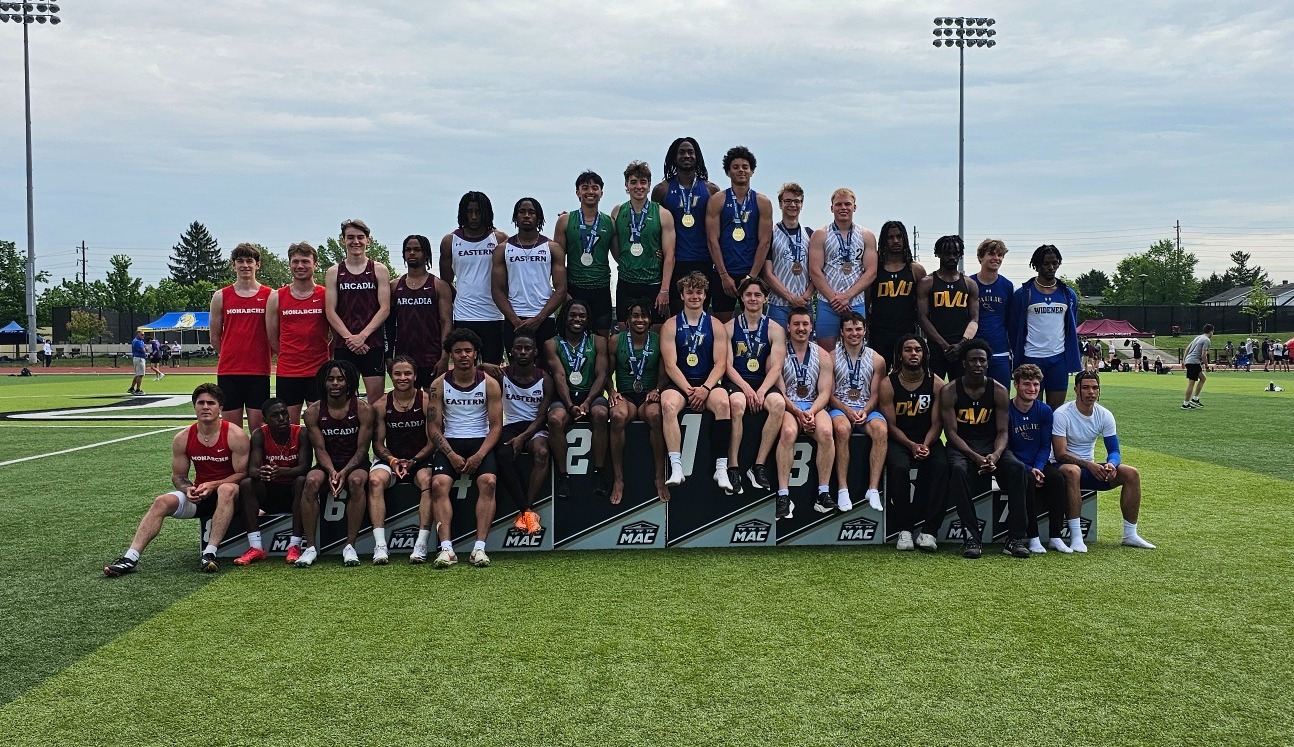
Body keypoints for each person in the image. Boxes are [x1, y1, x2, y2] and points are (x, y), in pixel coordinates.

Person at [103, 384, 250, 576]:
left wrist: (214, 485)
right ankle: (130, 557)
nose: (205, 407)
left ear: (220, 408)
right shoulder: (183, 437)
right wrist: (188, 489)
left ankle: (210, 553)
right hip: (201, 496)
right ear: (194, 406)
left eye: (211, 403)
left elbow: (243, 473)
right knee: (162, 501)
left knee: (226, 490)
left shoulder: (235, 434)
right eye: (201, 403)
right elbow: (178, 476)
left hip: (232, 497)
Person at [936, 339, 1031, 559]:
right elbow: (951, 433)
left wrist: (996, 455)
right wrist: (974, 456)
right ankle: (971, 536)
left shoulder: (998, 390)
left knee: (1017, 469)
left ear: (988, 364)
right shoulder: (950, 390)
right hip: (962, 447)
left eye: (982, 360)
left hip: (991, 446)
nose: (978, 364)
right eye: (973, 360)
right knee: (958, 470)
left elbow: (1002, 432)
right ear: (964, 363)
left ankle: (1015, 538)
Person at [422, 328, 504, 568]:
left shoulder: (489, 384)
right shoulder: (438, 385)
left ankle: (479, 549)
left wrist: (479, 455)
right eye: (458, 352)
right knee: (438, 484)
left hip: (480, 441)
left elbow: (497, 426)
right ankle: (447, 549)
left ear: (476, 354)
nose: (463, 355)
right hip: (451, 441)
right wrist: (450, 454)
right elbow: (434, 427)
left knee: (488, 482)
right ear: (450, 356)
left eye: (468, 351)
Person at [1052, 371, 1155, 550]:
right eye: (1085, 388)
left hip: (1089, 468)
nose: (1091, 392)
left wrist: (1111, 464)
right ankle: (1076, 537)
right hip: (1061, 468)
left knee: (1131, 473)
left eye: (1095, 388)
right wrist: (1089, 464)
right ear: (1076, 390)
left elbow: (1114, 450)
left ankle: (1130, 534)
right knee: (1073, 471)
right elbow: (1060, 453)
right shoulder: (1062, 414)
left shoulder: (1105, 414)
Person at [660, 271, 735, 492]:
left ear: (705, 296)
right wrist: (690, 391)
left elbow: (720, 364)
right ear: (682, 295)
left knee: (723, 403)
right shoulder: (671, 325)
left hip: (706, 382)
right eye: (690, 292)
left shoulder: (716, 325)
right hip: (681, 383)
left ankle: (721, 468)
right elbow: (670, 365)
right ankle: (676, 466)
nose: (694, 296)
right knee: (668, 404)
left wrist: (705, 388)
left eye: (699, 292)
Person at [296, 360, 375, 568]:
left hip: (355, 463)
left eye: (340, 379)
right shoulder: (312, 412)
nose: (335, 383)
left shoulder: (363, 409)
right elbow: (319, 450)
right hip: (327, 463)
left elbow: (362, 450)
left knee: (357, 481)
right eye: (331, 379)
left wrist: (344, 471)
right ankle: (311, 547)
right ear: (324, 382)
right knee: (311, 481)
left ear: (349, 382)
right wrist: (332, 471)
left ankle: (350, 546)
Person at [876, 335, 946, 551]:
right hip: (900, 439)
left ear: (924, 354)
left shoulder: (936, 383)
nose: (913, 354)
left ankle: (929, 531)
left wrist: (924, 444)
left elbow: (938, 423)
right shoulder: (888, 383)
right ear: (900, 355)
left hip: (928, 438)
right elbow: (890, 425)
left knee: (942, 466)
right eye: (908, 350)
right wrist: (911, 445)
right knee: (899, 468)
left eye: (917, 350)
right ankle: (904, 530)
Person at [367, 356, 434, 565]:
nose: (402, 378)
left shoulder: (426, 401)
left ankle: (421, 544)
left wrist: (414, 460)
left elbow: (434, 440)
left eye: (407, 373)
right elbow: (377, 444)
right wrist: (393, 460)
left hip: (420, 458)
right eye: (397, 373)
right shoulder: (380, 405)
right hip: (391, 459)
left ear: (415, 375)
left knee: (429, 481)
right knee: (375, 481)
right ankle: (380, 545)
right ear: (390, 376)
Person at [724, 278, 788, 493]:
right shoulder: (729, 327)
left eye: (757, 295)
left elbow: (777, 367)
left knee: (778, 404)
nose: (753, 298)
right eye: (749, 294)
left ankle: (758, 465)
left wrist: (761, 390)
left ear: (765, 298)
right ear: (741, 298)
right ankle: (732, 466)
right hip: (737, 380)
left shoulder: (775, 329)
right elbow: (726, 366)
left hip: (763, 381)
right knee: (736, 404)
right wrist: (747, 389)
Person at [545, 299, 611, 500]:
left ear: (588, 319)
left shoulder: (598, 341)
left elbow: (602, 374)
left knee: (600, 414)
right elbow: (559, 376)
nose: (577, 319)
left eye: (582, 316)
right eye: (573, 315)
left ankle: (599, 473)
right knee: (555, 420)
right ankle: (564, 477)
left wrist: (588, 402)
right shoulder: (551, 343)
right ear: (564, 317)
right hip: (565, 398)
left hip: (591, 395)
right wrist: (570, 405)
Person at [235, 397, 311, 566]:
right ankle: (256, 547)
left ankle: (295, 545)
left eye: (284, 413)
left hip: (293, 493)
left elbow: (304, 467)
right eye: (275, 415)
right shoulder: (259, 434)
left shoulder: (301, 433)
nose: (282, 418)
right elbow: (252, 470)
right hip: (269, 492)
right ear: (265, 420)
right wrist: (262, 471)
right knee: (247, 484)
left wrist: (280, 471)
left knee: (302, 480)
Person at [490, 333, 553, 534]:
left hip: (534, 427)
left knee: (542, 453)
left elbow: (542, 417)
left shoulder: (544, 379)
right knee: (502, 455)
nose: (523, 352)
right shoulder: (503, 375)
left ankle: (527, 506)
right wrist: (488, 367)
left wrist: (524, 437)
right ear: (511, 352)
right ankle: (526, 510)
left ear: (535, 352)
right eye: (518, 348)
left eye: (527, 348)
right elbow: (478, 369)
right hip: (511, 425)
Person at [776, 306, 835, 516]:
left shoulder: (822, 355)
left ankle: (823, 493)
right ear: (788, 327)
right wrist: (799, 413)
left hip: (814, 405)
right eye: (796, 324)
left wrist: (810, 412)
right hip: (789, 406)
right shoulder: (779, 352)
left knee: (827, 433)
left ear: (811, 327)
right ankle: (783, 495)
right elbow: (778, 391)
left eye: (805, 324)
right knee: (789, 433)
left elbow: (825, 391)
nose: (801, 328)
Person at [652, 137, 721, 314]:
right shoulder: (662, 190)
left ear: (697, 156)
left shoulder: (711, 190)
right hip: (675, 262)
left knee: (700, 314)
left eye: (691, 152)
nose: (686, 155)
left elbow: (718, 228)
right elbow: (655, 225)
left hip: (704, 260)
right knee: (677, 316)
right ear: (674, 157)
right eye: (681, 152)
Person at [608, 300, 669, 503]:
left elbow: (663, 374)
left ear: (650, 320)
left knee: (656, 415)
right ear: (627, 320)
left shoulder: (658, 340)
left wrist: (657, 390)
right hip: (625, 395)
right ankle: (618, 479)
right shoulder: (616, 340)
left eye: (643, 316)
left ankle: (659, 477)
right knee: (617, 416)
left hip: (648, 396)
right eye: (635, 316)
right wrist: (612, 390)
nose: (639, 320)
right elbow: (605, 373)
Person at [324, 219, 391, 402]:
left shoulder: (378, 269)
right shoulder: (334, 272)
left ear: (368, 240)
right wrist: (349, 338)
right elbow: (330, 311)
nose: (356, 242)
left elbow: (385, 308)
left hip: (373, 344)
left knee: (376, 402)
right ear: (343, 240)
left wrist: (362, 336)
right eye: (350, 237)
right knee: (343, 402)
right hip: (343, 345)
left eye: (360, 237)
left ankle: (375, 432)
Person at [1006, 364, 1070, 554]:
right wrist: (1029, 469)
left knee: (1058, 479)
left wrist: (1039, 467)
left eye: (1035, 385)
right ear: (1016, 385)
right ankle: (1033, 537)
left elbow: (1045, 445)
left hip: (1039, 463)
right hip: (1017, 465)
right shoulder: (1006, 410)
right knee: (1028, 480)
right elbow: (1006, 448)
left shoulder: (1044, 410)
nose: (1032, 389)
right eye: (1027, 384)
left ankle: (1055, 536)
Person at [827, 312, 888, 513]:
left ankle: (873, 489)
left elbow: (876, 393)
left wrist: (864, 410)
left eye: (858, 329)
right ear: (842, 333)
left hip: (866, 409)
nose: (854, 333)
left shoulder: (877, 359)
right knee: (842, 430)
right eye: (849, 329)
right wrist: (846, 410)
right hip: (840, 408)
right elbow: (829, 394)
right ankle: (843, 489)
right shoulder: (831, 357)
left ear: (864, 331)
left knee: (881, 430)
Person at [705, 145, 773, 323]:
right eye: (735, 167)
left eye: (745, 167)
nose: (741, 170)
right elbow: (713, 240)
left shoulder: (762, 202)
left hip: (751, 272)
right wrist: (723, 275)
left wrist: (751, 278)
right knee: (723, 327)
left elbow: (764, 242)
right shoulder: (717, 200)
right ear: (728, 172)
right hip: (724, 274)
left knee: (755, 325)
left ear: (752, 171)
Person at [440, 192, 509, 364]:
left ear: (487, 212)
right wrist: (461, 298)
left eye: (478, 211)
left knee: (492, 369)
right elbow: (445, 281)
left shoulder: (500, 239)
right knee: (464, 368)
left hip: (494, 316)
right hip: (464, 316)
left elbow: (510, 277)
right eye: (469, 211)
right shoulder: (450, 241)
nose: (473, 216)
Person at [1009, 244, 1081, 409]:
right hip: (1031, 358)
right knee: (1032, 409)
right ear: (1037, 265)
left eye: (1054, 263)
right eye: (1046, 263)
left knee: (1056, 411)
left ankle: (1054, 437)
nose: (1051, 267)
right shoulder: (1023, 294)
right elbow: (1013, 329)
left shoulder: (1068, 294)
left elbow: (1071, 325)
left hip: (1058, 360)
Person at [209, 243, 272, 429]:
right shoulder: (221, 296)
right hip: (229, 372)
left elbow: (275, 334)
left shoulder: (270, 295)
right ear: (233, 265)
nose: (245, 265)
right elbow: (214, 337)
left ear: (257, 265)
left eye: (249, 261)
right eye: (240, 261)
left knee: (258, 429)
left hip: (259, 371)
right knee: (231, 430)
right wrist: (231, 354)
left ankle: (259, 460)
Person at [267, 241, 330, 424]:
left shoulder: (325, 295)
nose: (300, 266)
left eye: (305, 261)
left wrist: (325, 356)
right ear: (289, 264)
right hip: (288, 373)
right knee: (288, 426)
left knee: (320, 425)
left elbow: (335, 333)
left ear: (315, 264)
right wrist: (290, 355)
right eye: (295, 262)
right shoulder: (276, 297)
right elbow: (272, 337)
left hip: (318, 372)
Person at [492, 197, 566, 353]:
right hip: (515, 317)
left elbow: (561, 289)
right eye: (522, 212)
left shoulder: (552, 248)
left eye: (531, 212)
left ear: (538, 217)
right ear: (515, 217)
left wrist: (540, 318)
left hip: (544, 318)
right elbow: (497, 290)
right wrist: (514, 320)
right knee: (515, 370)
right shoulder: (502, 249)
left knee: (546, 368)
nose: (526, 216)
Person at [808, 188, 877, 351]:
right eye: (838, 204)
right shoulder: (820, 234)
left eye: (847, 204)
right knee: (825, 355)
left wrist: (847, 296)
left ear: (855, 207)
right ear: (832, 208)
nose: (843, 208)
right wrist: (834, 298)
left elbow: (871, 271)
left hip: (856, 303)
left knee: (855, 352)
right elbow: (815, 271)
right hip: (827, 303)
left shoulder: (866, 235)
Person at [611, 161, 675, 324]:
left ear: (649, 185)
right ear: (626, 185)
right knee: (624, 332)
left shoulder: (662, 213)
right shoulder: (618, 211)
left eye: (643, 182)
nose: (638, 186)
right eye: (633, 182)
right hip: (626, 282)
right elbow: (615, 247)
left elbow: (670, 255)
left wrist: (665, 290)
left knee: (655, 333)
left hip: (653, 282)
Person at [554, 172, 616, 335]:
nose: (590, 191)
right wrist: (562, 291)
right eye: (585, 188)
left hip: (601, 289)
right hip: (574, 289)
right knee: (570, 338)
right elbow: (557, 261)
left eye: (595, 188)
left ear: (601, 193)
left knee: (601, 341)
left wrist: (655, 254)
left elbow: (620, 256)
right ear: (577, 192)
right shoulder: (565, 221)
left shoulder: (609, 222)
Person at [391, 235, 453, 389]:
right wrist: (388, 357)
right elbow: (389, 324)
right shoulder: (394, 286)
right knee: (406, 403)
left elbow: (447, 322)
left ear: (426, 254)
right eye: (408, 250)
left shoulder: (439, 286)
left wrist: (445, 357)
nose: (412, 253)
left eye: (417, 249)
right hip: (403, 357)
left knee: (433, 404)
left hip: (431, 357)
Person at [917, 235, 979, 382]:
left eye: (955, 253)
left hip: (961, 348)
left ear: (960, 255)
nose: (952, 257)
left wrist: (962, 344)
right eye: (947, 253)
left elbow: (974, 319)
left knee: (960, 392)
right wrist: (943, 345)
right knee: (932, 391)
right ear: (937, 254)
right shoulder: (927, 282)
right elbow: (922, 317)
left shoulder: (970, 284)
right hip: (936, 347)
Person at [867, 220, 925, 368]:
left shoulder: (915, 270)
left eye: (899, 236)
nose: (895, 241)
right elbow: (866, 303)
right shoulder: (874, 269)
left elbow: (923, 308)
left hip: (907, 334)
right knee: (878, 379)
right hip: (879, 334)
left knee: (906, 378)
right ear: (884, 240)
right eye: (890, 237)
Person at [762, 182, 815, 330]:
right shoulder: (770, 234)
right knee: (777, 349)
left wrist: (806, 296)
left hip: (805, 304)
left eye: (797, 201)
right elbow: (767, 273)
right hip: (778, 304)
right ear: (780, 204)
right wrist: (791, 298)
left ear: (802, 205)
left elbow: (817, 271)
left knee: (804, 349)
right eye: (788, 201)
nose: (793, 205)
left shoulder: (810, 234)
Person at [970, 238, 1014, 388]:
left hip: (1000, 351)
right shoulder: (969, 283)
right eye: (991, 254)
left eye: (1000, 255)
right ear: (981, 257)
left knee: (1001, 397)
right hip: (975, 351)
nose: (996, 258)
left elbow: (1009, 319)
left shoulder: (1007, 285)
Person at [1182, 323, 1213, 410]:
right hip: (1193, 362)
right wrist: (1207, 366)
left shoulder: (1198, 337)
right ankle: (1185, 404)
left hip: (1190, 361)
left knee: (1203, 378)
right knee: (1191, 383)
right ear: (1211, 332)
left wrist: (1184, 360)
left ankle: (1195, 399)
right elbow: (1204, 355)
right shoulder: (1206, 340)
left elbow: (1187, 348)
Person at [128, 329, 148, 396]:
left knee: (137, 374)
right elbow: (143, 350)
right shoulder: (137, 341)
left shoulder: (140, 341)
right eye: (142, 334)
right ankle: (138, 389)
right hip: (139, 358)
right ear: (138, 334)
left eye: (144, 334)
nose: (143, 336)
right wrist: (145, 348)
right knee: (141, 374)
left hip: (138, 358)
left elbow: (145, 348)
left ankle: (132, 388)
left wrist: (145, 348)